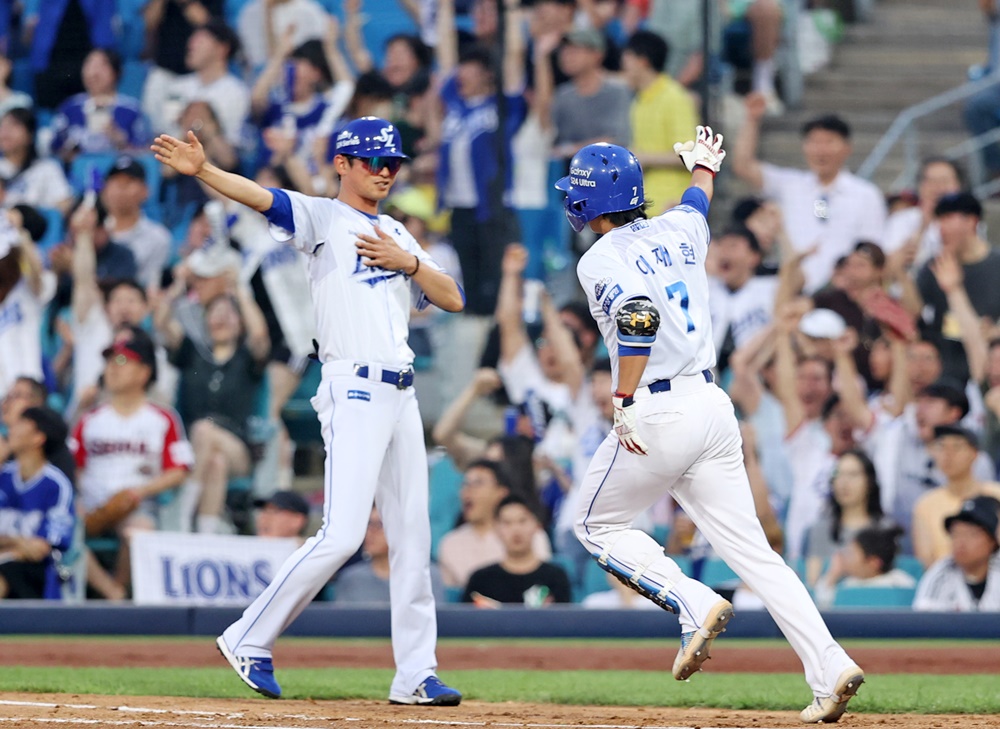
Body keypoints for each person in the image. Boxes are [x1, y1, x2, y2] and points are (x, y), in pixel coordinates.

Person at [151, 116, 465, 704]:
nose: (384, 170)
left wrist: (410, 263)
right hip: (354, 386)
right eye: (372, 160)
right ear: (342, 163)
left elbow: (453, 296)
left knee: (412, 538)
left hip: (402, 393)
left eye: (392, 162)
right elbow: (261, 196)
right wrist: (207, 171)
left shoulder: (397, 232)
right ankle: (248, 636)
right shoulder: (323, 217)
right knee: (344, 533)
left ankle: (415, 674)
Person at [557, 128, 863, 723]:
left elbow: (638, 316)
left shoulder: (600, 257)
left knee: (593, 524)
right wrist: (704, 167)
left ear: (589, 202)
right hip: (712, 405)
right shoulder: (680, 226)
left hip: (657, 406)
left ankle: (693, 600)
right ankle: (829, 665)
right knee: (756, 554)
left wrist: (620, 396)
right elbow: (696, 200)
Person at [71, 327, 193, 599]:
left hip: (136, 504)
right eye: (110, 361)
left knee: (140, 532)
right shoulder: (89, 419)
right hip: (91, 503)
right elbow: (73, 467)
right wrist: (78, 501)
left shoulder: (163, 418)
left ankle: (118, 591)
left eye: (122, 361)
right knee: (65, 531)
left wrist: (139, 492)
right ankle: (111, 592)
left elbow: (180, 470)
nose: (113, 368)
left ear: (144, 372)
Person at [731, 96, 886, 294]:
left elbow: (872, 250)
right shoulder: (790, 185)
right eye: (814, 142)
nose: (820, 150)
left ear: (847, 148)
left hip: (844, 294)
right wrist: (752, 120)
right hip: (791, 290)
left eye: (829, 142)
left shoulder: (866, 195)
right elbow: (743, 166)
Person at [438, 459, 551, 589]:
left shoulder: (532, 535)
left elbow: (543, 585)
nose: (468, 490)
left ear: (501, 492)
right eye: (464, 484)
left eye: (478, 483)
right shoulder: (450, 544)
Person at [0, 407, 75, 600]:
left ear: (38, 438)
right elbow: (29, 545)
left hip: (34, 572)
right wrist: (19, 541)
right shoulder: (4, 475)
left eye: (22, 423)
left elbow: (42, 548)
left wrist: (9, 546)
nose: (12, 429)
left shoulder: (56, 485)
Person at [911, 425, 1000, 568]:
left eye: (957, 447)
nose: (948, 454)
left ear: (975, 454)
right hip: (947, 582)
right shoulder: (925, 504)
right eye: (941, 447)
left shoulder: (996, 494)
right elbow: (926, 560)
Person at [462, 495, 571, 606]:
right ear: (496, 528)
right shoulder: (481, 580)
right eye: (507, 523)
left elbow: (564, 621)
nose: (516, 530)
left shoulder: (555, 577)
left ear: (537, 524)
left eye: (522, 521)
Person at [804, 449, 885, 586]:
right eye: (838, 475)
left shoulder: (885, 529)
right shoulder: (819, 530)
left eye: (853, 475)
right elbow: (812, 584)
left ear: (869, 481)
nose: (844, 483)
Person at [335, 508, 446, 604]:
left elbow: (437, 621)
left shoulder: (426, 575)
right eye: (368, 524)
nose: (371, 532)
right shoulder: (351, 578)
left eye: (380, 525)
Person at [913, 496, 1000, 611]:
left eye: (971, 534)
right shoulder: (941, 573)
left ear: (992, 541)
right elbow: (923, 621)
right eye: (956, 534)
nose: (961, 543)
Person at [812, 524, 915, 609]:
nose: (845, 557)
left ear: (874, 562)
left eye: (851, 554)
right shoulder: (847, 585)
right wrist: (832, 575)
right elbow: (821, 604)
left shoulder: (901, 583)